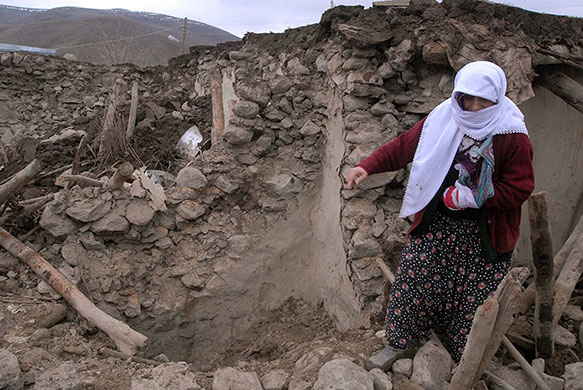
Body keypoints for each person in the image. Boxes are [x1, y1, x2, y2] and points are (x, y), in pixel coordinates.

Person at [345, 61, 535, 369]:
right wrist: (366, 166)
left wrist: (476, 198)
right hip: (438, 226)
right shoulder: (444, 117)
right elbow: (403, 146)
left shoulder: (511, 135)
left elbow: (520, 188)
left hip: (483, 236)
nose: (473, 107)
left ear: (497, 98)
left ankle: (466, 363)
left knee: (474, 303)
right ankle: (399, 344)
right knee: (413, 282)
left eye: (482, 100)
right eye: (467, 98)